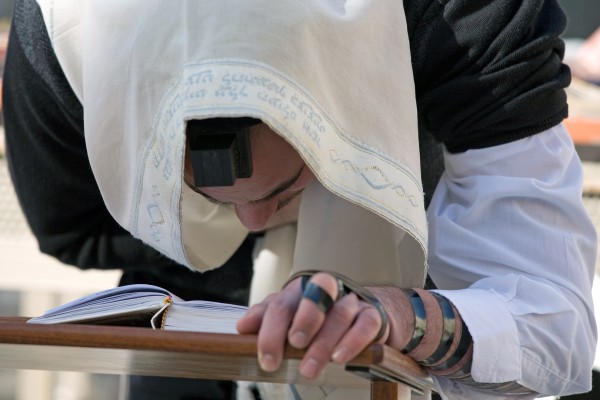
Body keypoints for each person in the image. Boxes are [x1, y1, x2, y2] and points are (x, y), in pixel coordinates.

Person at [3, 1, 597, 400]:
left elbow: (555, 324)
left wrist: (393, 312)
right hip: (189, 306)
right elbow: (74, 229)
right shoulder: (60, 36)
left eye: (280, 190)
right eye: (204, 190)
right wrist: (220, 243)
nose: (253, 216)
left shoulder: (466, 18)